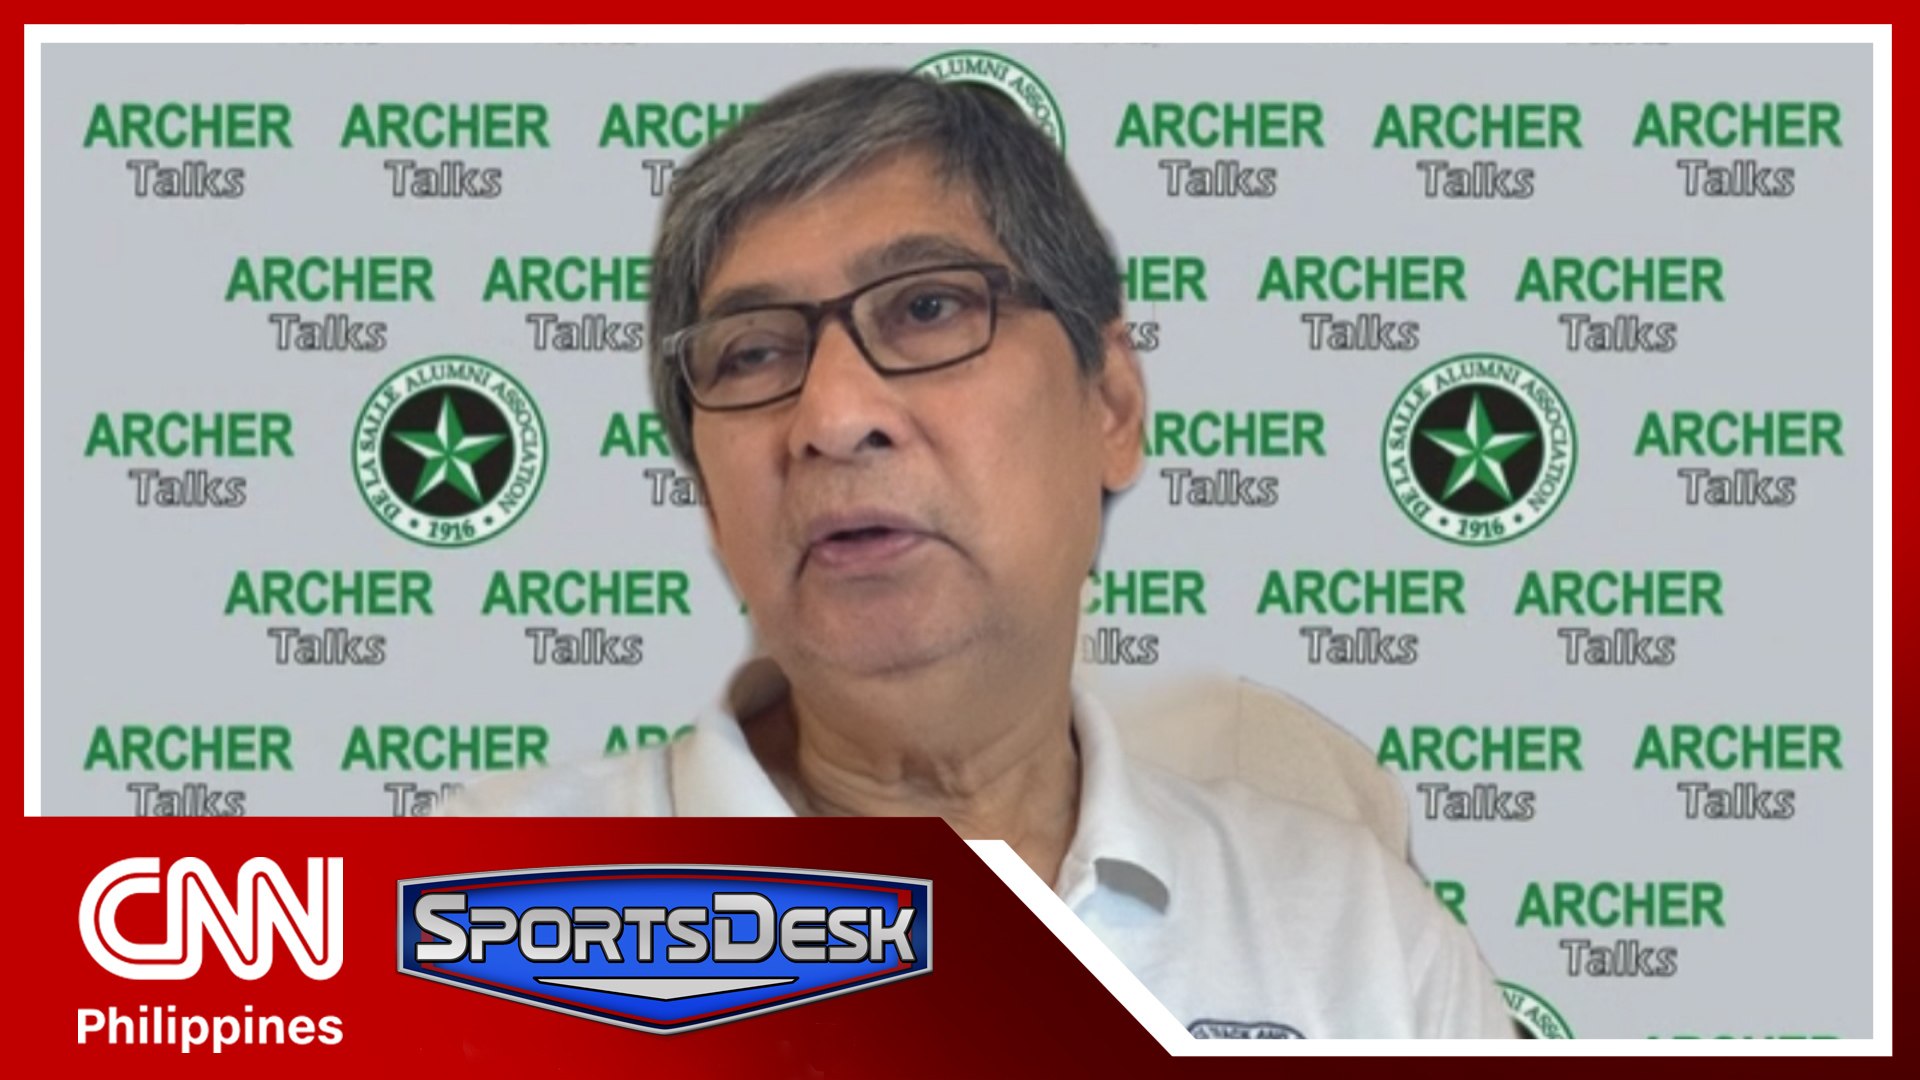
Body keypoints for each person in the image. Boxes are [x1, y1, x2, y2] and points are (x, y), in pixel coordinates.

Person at [450, 69, 1515, 1039]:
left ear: (1111, 404)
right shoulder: (479, 906)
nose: (834, 417)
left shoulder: (1359, 942)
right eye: (755, 353)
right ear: (709, 500)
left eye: (928, 308)